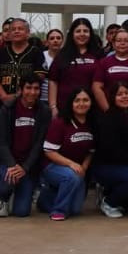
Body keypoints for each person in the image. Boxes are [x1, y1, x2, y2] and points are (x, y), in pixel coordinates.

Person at [0, 75, 49, 218]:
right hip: (10, 163)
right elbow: (1, 142)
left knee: (22, 212)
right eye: (28, 88)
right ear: (21, 90)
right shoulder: (8, 108)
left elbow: (39, 144)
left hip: (28, 166)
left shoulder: (44, 111)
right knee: (7, 182)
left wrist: (25, 167)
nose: (32, 92)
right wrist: (12, 165)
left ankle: (22, 191)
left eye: (36, 88)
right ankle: (4, 198)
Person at [91, 82, 128, 217]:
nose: (124, 97)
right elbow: (110, 150)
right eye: (119, 94)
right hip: (109, 165)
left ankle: (111, 191)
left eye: (127, 93)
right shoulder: (108, 118)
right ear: (112, 97)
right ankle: (108, 202)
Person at [39, 87, 95, 221]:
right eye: (77, 100)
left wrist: (84, 167)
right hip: (53, 166)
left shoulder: (92, 123)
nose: (81, 104)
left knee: (75, 210)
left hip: (76, 170)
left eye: (85, 100)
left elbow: (91, 152)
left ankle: (46, 199)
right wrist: (71, 164)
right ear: (71, 103)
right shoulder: (60, 123)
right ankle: (59, 211)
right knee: (71, 177)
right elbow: (49, 151)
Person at [50, 18, 105, 116]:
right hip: (65, 107)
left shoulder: (99, 54)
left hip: (92, 108)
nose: (82, 34)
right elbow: (53, 81)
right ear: (72, 34)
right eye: (78, 31)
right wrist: (53, 106)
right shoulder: (62, 55)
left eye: (85, 31)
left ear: (90, 33)